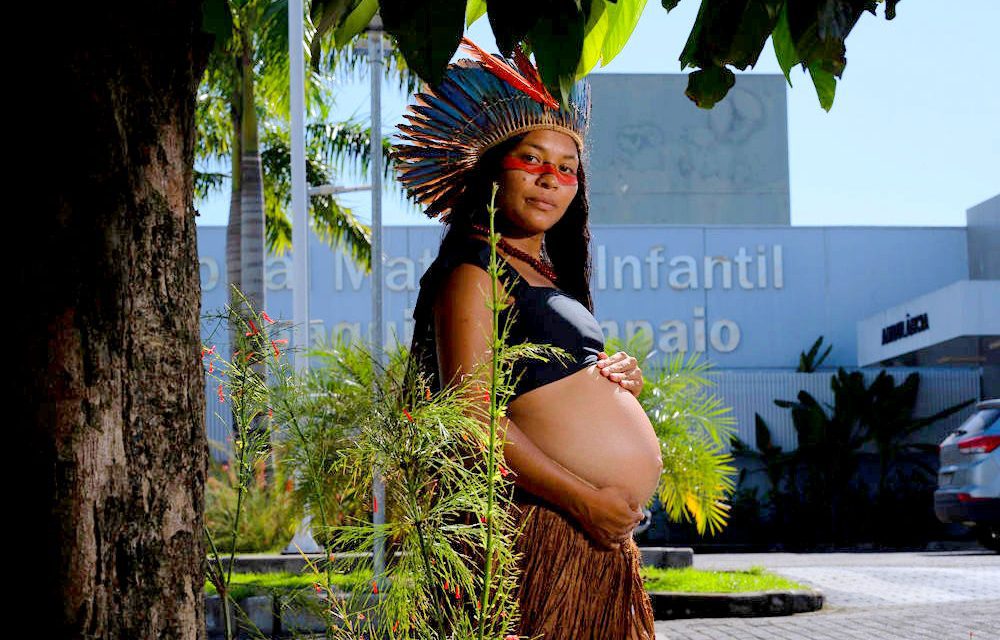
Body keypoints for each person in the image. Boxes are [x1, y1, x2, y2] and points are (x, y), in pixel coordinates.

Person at [395, 38, 663, 640]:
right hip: (541, 529)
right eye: (532, 160)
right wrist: (582, 501)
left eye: (567, 168)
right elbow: (468, 417)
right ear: (492, 171)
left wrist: (617, 377)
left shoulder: (546, 276)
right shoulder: (473, 273)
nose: (551, 179)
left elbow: (552, 388)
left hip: (588, 546)